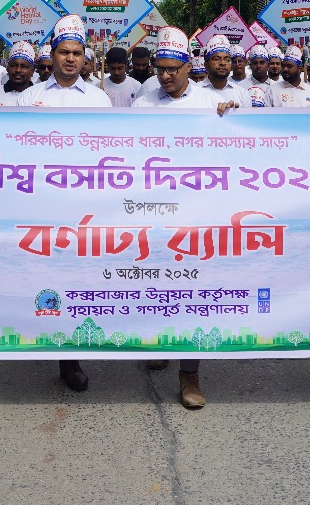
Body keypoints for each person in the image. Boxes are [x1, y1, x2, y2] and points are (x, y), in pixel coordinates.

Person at [133, 27, 237, 410]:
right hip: (154, 212)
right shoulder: (142, 106)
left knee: (193, 292)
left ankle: (189, 374)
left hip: (197, 212)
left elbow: (233, 155)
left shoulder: (213, 103)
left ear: (188, 67)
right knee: (158, 285)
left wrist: (231, 122)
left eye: (171, 69)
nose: (164, 76)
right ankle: (162, 343)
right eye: (159, 69)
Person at [18, 15, 111, 392]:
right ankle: (40, 342)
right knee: (43, 277)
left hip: (84, 204)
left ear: (85, 58)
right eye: (63, 52)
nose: (70, 59)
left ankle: (70, 356)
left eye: (76, 53)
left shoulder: (99, 99)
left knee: (78, 277)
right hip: (42, 203)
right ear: (52, 54)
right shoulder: (30, 98)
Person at [198, 35, 248, 107]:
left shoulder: (242, 94)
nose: (222, 63)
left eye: (227, 59)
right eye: (216, 59)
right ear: (206, 65)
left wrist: (235, 113)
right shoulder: (195, 91)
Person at [0, 41, 36, 105]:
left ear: (32, 71)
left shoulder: (40, 96)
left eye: (23, 66)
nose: (18, 70)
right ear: (7, 68)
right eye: (13, 65)